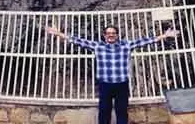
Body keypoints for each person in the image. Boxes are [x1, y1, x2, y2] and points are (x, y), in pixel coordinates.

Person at [46, 23, 178, 124]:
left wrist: (165, 35)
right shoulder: (98, 46)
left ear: (117, 35)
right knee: (104, 112)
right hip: (105, 85)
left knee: (122, 112)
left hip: (121, 85)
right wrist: (58, 33)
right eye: (108, 33)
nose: (111, 35)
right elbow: (76, 40)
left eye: (113, 33)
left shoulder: (126, 45)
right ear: (104, 35)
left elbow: (146, 41)